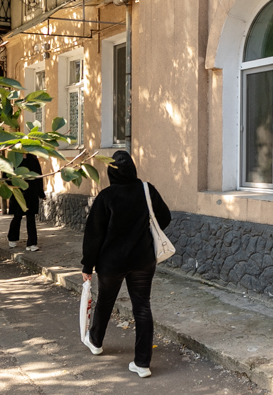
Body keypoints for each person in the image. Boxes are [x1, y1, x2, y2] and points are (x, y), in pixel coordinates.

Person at [80, 150, 171, 378]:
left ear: (110, 172)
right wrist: (143, 234)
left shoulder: (106, 196)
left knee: (105, 302)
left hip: (111, 263)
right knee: (142, 307)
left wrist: (87, 266)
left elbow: (93, 235)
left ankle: (96, 341)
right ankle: (142, 363)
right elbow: (165, 217)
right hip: (143, 260)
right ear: (133, 169)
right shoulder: (147, 190)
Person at [7, 152, 46, 251]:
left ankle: (32, 243)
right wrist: (11, 187)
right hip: (18, 191)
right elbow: (6, 175)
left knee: (31, 217)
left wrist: (41, 193)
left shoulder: (33, 159)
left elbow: (38, 176)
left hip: (32, 191)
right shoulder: (13, 158)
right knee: (17, 216)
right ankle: (12, 238)